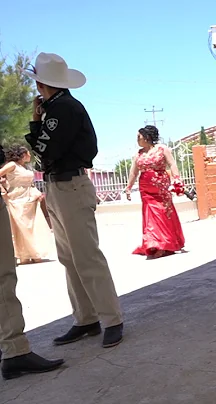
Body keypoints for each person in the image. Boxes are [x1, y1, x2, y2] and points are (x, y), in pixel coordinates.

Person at [24, 52, 124, 348]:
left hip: (69, 184)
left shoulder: (63, 109)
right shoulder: (59, 107)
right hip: (59, 185)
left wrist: (35, 123)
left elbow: (44, 151)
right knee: (70, 257)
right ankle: (87, 318)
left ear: (42, 83)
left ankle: (111, 319)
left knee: (85, 256)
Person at [0, 144, 65, 380]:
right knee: (2, 278)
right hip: (17, 202)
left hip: (26, 201)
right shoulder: (10, 166)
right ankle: (15, 352)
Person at [124, 125, 186, 259]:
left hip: (161, 187)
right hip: (145, 189)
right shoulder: (138, 154)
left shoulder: (162, 149)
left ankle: (167, 243)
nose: (137, 140)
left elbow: (172, 164)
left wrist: (177, 179)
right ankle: (155, 243)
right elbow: (133, 172)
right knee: (150, 214)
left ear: (147, 137)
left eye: (138, 137)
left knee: (164, 213)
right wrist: (128, 188)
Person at [0, 145, 52, 264]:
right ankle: (24, 255)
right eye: (28, 153)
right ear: (22, 155)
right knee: (22, 227)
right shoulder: (11, 165)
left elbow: (30, 183)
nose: (29, 155)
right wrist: (3, 190)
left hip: (30, 199)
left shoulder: (24, 167)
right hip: (17, 199)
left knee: (33, 227)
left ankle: (34, 253)